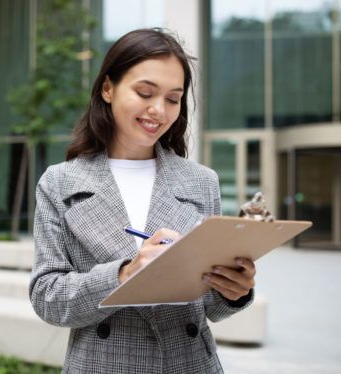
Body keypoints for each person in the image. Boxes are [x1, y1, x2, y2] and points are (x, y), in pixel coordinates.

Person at [29, 28, 256, 373]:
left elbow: (211, 306)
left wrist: (234, 290)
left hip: (189, 363)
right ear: (107, 88)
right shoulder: (60, 183)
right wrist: (126, 274)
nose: (159, 111)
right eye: (145, 92)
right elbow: (47, 298)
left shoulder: (201, 181)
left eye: (173, 98)